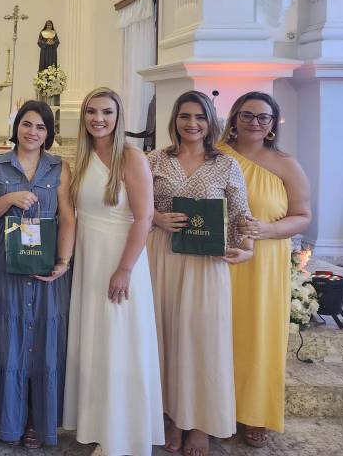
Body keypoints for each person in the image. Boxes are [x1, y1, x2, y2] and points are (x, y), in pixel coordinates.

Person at [147, 90, 253, 456]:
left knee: (203, 339)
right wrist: (157, 218)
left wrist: (248, 248)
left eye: (199, 117)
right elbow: (134, 205)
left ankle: (201, 423)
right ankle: (172, 417)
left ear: (211, 122)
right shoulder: (154, 160)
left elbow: (240, 215)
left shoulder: (226, 164)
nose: (191, 124)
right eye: (184, 116)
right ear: (174, 120)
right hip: (163, 256)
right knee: (164, 335)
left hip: (206, 263)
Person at [62, 88, 164, 456]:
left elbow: (145, 217)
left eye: (106, 112)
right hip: (89, 258)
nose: (98, 119)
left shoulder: (131, 158)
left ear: (119, 116)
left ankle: (122, 436)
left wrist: (124, 269)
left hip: (120, 259)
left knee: (119, 343)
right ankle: (98, 426)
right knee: (95, 343)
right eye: (91, 112)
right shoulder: (82, 157)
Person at [0, 100, 75, 450]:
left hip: (43, 262)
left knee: (41, 339)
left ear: (49, 134)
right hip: (3, 261)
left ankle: (34, 417)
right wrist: (10, 199)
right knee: (7, 337)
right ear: (16, 127)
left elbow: (68, 217)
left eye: (41, 127)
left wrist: (63, 262)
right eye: (27, 124)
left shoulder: (59, 167)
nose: (32, 132)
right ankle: (4, 417)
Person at [219, 92, 311, 448]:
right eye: (247, 115)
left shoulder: (286, 164)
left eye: (263, 117)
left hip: (264, 264)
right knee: (216, 333)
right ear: (234, 118)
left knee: (258, 337)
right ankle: (214, 408)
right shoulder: (215, 154)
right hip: (220, 257)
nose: (254, 123)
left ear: (273, 124)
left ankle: (255, 413)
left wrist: (269, 229)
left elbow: (302, 215)